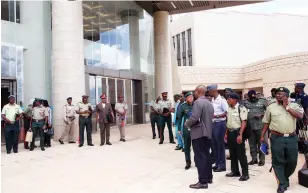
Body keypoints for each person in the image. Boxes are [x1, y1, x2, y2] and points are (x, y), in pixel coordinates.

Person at [261, 87, 304, 193]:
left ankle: (284, 178)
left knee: (292, 161)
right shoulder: (271, 107)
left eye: (282, 94)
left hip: (292, 138)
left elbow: (300, 116)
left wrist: (287, 107)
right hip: (276, 138)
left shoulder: (295, 105)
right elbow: (266, 122)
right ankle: (282, 184)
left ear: (287, 95)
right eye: (277, 94)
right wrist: (262, 136)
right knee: (278, 161)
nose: (279, 95)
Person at [185, 85, 214, 189]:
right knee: (206, 156)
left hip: (199, 133)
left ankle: (202, 181)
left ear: (198, 91)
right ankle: (208, 178)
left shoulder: (198, 102)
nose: (194, 93)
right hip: (208, 133)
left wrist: (187, 123)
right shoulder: (209, 103)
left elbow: (195, 118)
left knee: (200, 158)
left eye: (195, 91)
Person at [225, 93, 249, 181]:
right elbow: (228, 122)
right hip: (230, 132)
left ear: (235, 100)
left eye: (229, 99)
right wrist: (226, 134)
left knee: (241, 154)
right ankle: (235, 171)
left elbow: (244, 122)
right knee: (232, 153)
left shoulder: (241, 108)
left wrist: (240, 134)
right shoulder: (229, 109)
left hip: (238, 132)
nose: (228, 100)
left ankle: (245, 174)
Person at [243, 90, 267, 166]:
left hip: (260, 126)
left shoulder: (263, 101)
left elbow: (268, 112)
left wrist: (262, 115)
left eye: (255, 97)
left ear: (256, 95)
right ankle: (254, 159)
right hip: (250, 126)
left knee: (262, 144)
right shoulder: (245, 102)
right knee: (252, 144)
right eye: (251, 98)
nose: (253, 99)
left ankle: (262, 160)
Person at [208, 84, 229, 172]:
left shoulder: (222, 100)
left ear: (213, 91)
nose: (208, 93)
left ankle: (222, 165)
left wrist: (216, 116)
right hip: (213, 124)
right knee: (214, 145)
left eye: (209, 91)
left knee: (220, 145)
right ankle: (217, 163)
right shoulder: (212, 100)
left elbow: (226, 112)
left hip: (220, 124)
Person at [178, 91, 194, 169]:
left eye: (192, 97)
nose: (191, 98)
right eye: (189, 97)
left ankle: (197, 161)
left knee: (196, 146)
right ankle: (188, 162)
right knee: (187, 146)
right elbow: (179, 118)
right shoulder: (183, 106)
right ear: (186, 98)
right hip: (186, 129)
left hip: (195, 128)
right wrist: (178, 129)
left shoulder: (196, 105)